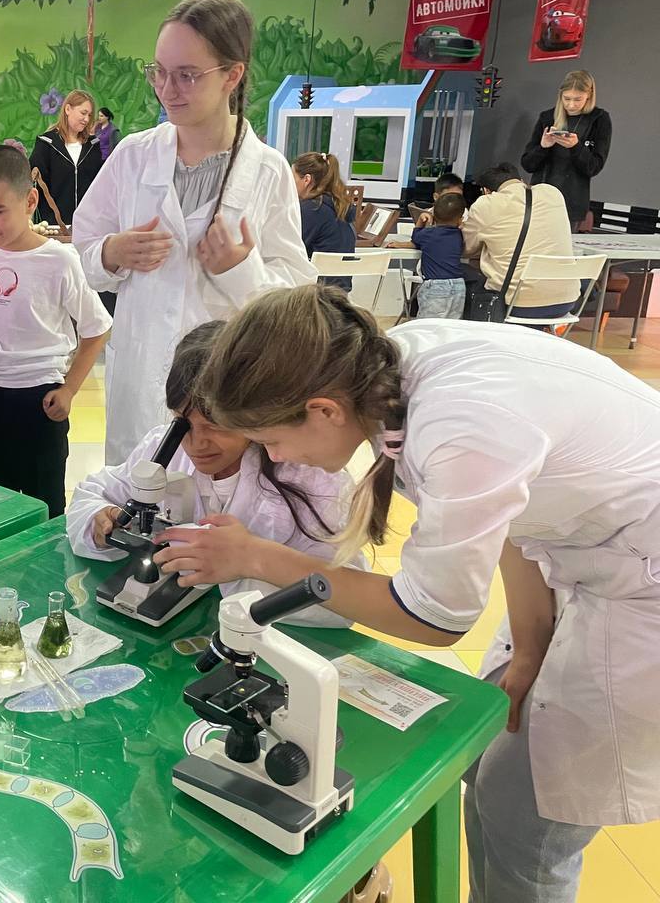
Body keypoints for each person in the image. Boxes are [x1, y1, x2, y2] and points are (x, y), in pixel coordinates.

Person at [153, 284, 660, 903]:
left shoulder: (457, 426)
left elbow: (435, 618)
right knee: (489, 766)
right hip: (583, 551)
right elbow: (513, 520)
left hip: (641, 583)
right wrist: (531, 647)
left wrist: (257, 557)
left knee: (529, 822)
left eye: (271, 441)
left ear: (323, 411)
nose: (275, 455)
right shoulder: (382, 368)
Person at [74, 0, 314, 465]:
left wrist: (241, 270)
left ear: (232, 75)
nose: (167, 89)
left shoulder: (267, 171)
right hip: (141, 378)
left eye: (187, 74)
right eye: (159, 72)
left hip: (224, 385)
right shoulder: (133, 156)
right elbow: (84, 251)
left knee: (217, 496)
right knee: (136, 491)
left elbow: (298, 297)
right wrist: (112, 252)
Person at [67, 320, 358, 627]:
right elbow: (92, 493)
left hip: (261, 632)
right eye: (183, 423)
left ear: (253, 415)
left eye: (216, 426)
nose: (197, 443)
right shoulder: (163, 447)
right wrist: (98, 520)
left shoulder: (310, 476)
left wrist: (242, 568)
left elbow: (342, 601)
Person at [0, 145, 112, 518]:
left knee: (42, 503)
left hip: (37, 399)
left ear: (30, 201)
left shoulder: (59, 260)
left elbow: (97, 328)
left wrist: (69, 390)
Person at [462, 163, 579, 320]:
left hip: (518, 304)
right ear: (521, 181)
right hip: (566, 301)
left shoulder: (486, 204)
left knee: (462, 276)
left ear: (486, 191)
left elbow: (466, 248)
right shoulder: (553, 193)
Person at [520, 70, 611, 231]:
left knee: (561, 245)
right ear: (560, 95)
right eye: (567, 98)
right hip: (539, 200)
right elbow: (528, 164)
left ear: (589, 95)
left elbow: (594, 167)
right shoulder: (547, 117)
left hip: (571, 204)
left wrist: (576, 147)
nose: (571, 105)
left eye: (578, 99)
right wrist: (543, 147)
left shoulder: (599, 119)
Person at [30, 89, 103, 228]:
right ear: (68, 109)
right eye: (83, 113)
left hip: (88, 227)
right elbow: (32, 184)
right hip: (52, 227)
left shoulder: (94, 145)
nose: (86, 119)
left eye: (89, 115)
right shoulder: (45, 143)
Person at [390, 191, 467, 319]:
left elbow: (415, 239)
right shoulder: (460, 235)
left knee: (428, 325)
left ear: (433, 216)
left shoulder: (427, 234)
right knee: (451, 325)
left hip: (435, 285)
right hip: (459, 285)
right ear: (460, 219)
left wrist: (421, 220)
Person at [293, 151, 356, 291]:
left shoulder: (311, 209)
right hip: (340, 293)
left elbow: (291, 250)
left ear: (306, 180)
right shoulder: (343, 207)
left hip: (313, 293)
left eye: (292, 177)